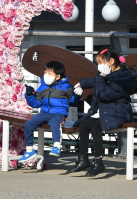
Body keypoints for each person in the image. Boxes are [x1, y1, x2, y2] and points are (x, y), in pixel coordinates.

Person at [68, 48, 137, 176]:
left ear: (111, 61)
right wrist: (81, 83)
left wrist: (100, 77)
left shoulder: (121, 79)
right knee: (83, 125)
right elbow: (96, 82)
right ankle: (83, 159)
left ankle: (98, 162)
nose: (98, 66)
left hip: (118, 114)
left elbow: (103, 95)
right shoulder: (110, 75)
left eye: (100, 62)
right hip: (108, 111)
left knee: (95, 127)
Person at [18, 61, 81, 162]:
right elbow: (36, 103)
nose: (46, 75)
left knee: (55, 125)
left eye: (49, 73)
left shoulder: (66, 87)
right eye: (45, 72)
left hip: (58, 114)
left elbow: (73, 100)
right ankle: (29, 150)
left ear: (57, 76)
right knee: (28, 125)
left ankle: (56, 146)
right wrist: (29, 95)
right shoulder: (42, 87)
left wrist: (77, 94)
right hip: (44, 113)